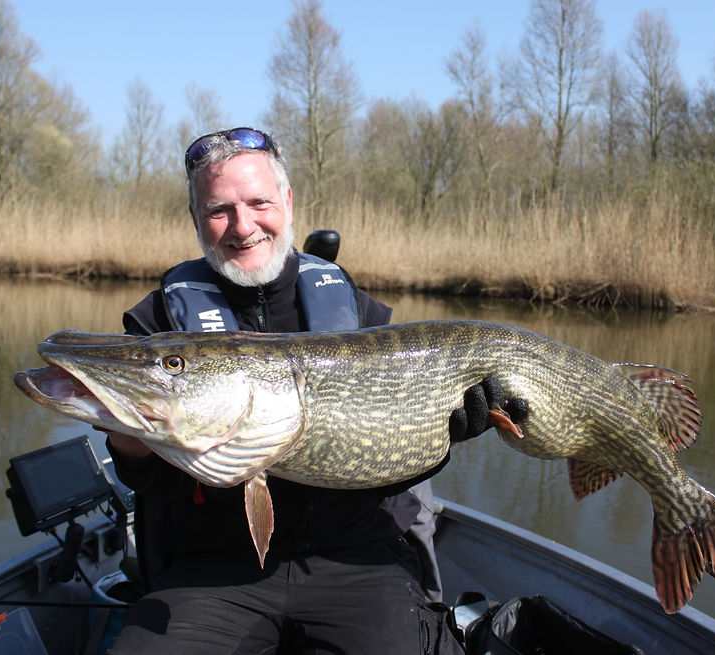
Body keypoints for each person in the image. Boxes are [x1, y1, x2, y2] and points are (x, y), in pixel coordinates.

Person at [104, 127, 522, 654]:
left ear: (287, 202)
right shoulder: (157, 323)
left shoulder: (363, 316)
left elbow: (390, 466)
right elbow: (155, 485)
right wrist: (126, 434)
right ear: (195, 220)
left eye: (258, 202)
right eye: (218, 210)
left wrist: (442, 436)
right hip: (213, 569)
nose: (242, 226)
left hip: (356, 559)